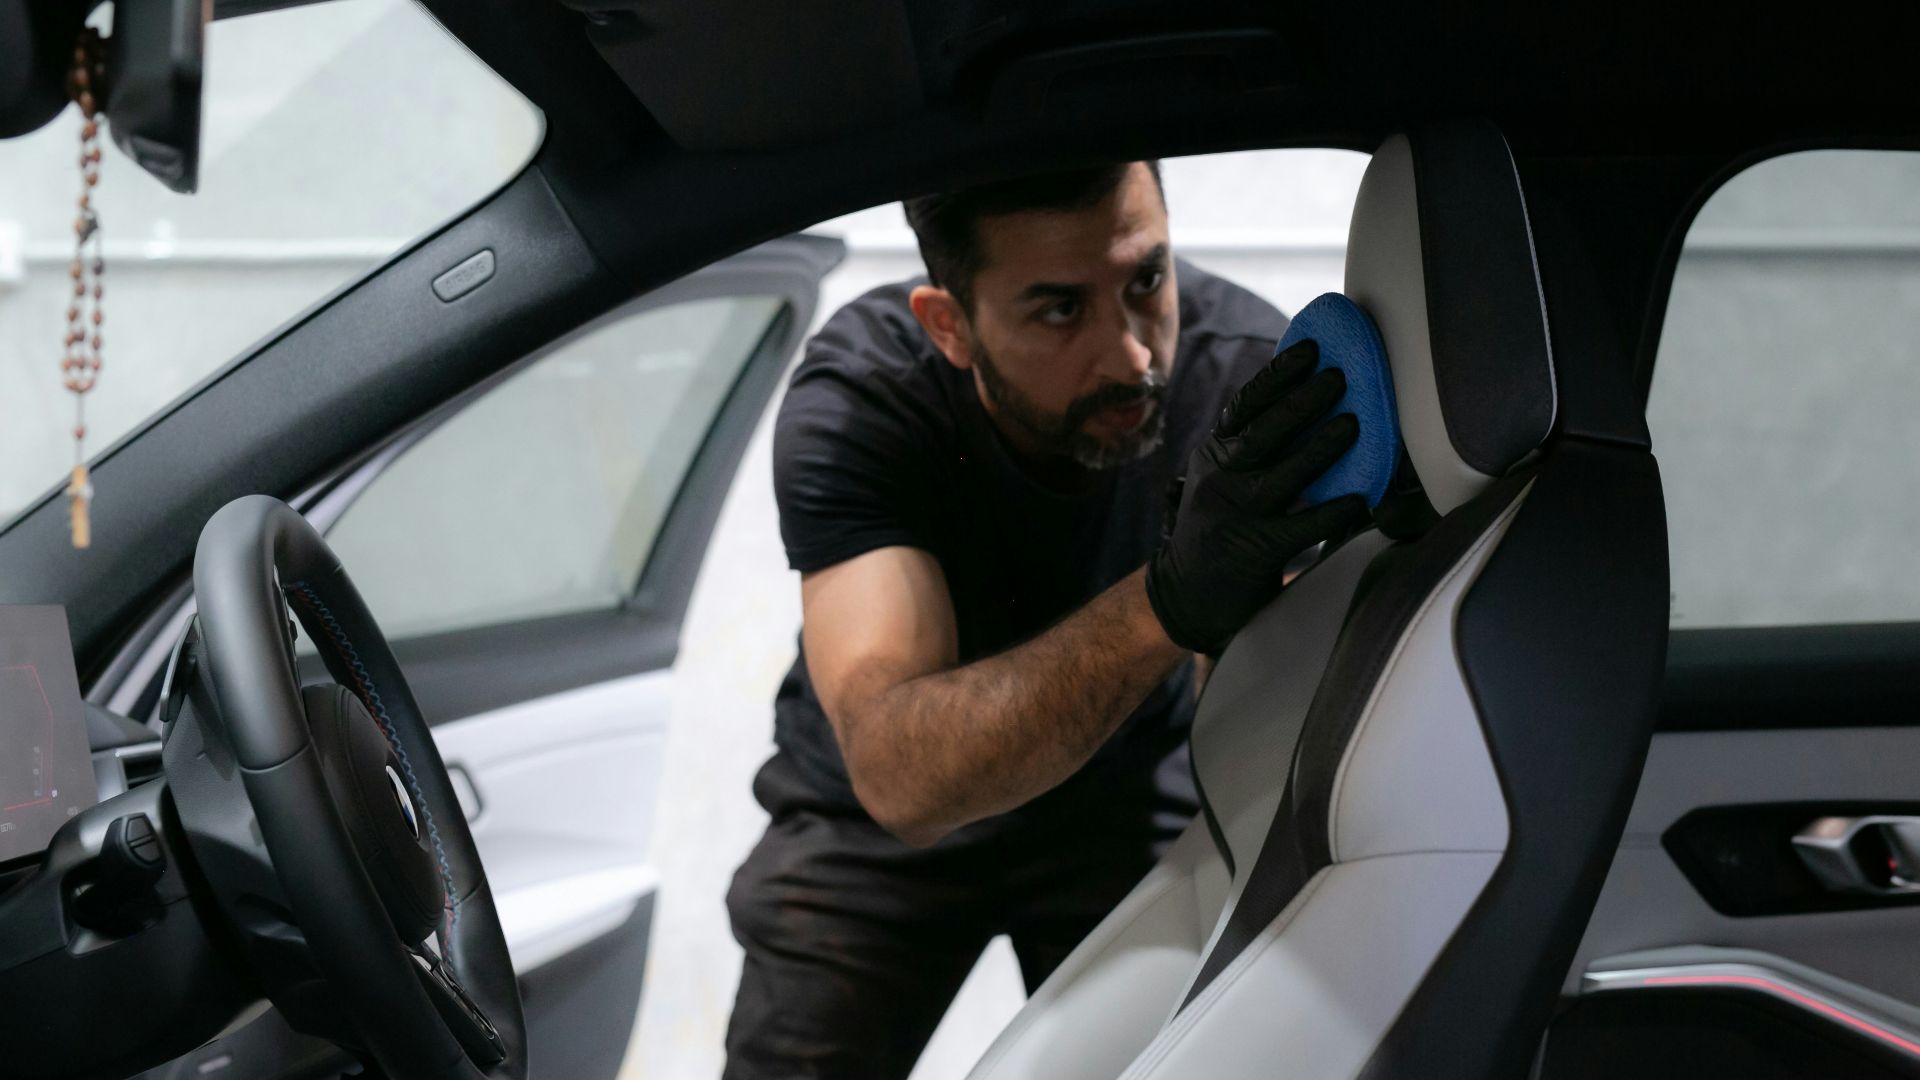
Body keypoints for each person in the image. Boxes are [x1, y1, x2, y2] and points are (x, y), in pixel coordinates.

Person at [723, 160, 1366, 1079]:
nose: (1134, 356)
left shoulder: (1245, 382)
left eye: (1146, 281)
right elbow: (901, 777)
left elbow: (1266, 733)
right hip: (871, 838)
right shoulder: (867, 396)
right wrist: (1167, 601)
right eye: (1060, 310)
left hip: (1127, 804)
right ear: (949, 324)